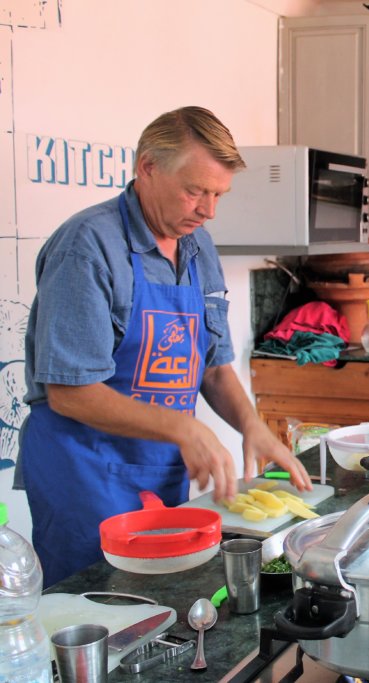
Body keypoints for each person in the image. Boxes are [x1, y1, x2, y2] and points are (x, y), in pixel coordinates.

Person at [17, 106, 313, 587]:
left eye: (219, 194)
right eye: (195, 190)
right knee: (100, 611)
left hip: (161, 470)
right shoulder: (88, 247)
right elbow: (69, 391)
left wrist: (251, 426)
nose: (208, 209)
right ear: (147, 168)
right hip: (85, 473)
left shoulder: (199, 247)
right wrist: (184, 428)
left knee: (166, 614)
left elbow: (213, 368)